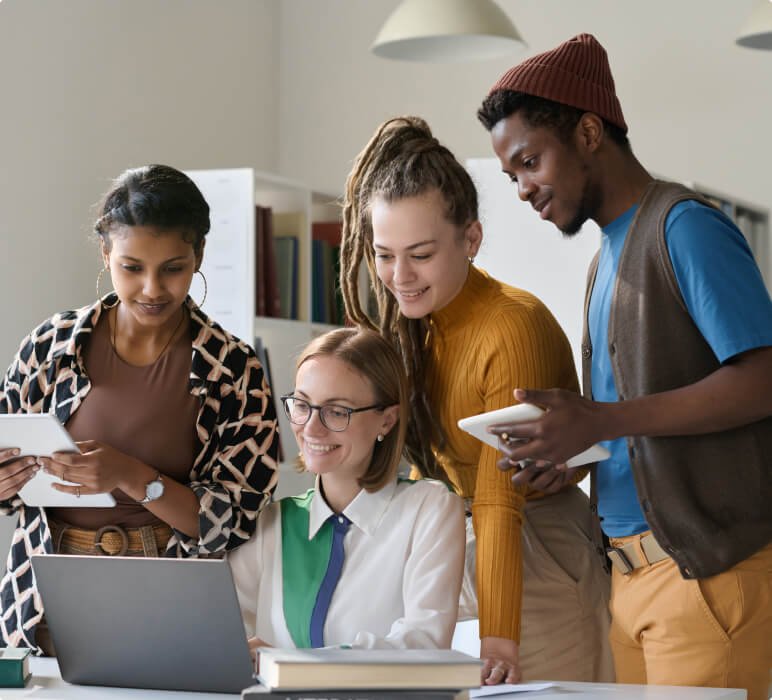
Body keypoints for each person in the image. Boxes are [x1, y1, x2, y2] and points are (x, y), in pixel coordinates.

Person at [477, 33, 772, 698]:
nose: (522, 189)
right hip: (630, 582)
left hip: (704, 579)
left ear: (588, 133)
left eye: (530, 162)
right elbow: (643, 427)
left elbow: (763, 378)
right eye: (511, 176)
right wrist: (575, 457)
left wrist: (602, 419)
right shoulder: (603, 260)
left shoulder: (684, 228)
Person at [339, 116, 614, 684]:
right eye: (384, 255)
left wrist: (499, 639)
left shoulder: (510, 327)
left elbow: (498, 499)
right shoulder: (418, 327)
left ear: (471, 239)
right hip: (469, 548)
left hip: (536, 557)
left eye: (420, 254)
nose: (399, 276)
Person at [0, 164, 279, 654]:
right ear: (106, 253)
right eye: (132, 267)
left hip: (171, 600)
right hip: (45, 600)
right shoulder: (49, 346)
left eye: (173, 268)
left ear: (199, 255)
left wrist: (131, 475)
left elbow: (236, 522)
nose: (152, 289)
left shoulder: (234, 369)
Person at [228, 327, 465, 650]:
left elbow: (422, 643)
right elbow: (217, 626)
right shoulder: (273, 521)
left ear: (387, 420)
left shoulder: (429, 509)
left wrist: (295, 664)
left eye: (337, 411)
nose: (311, 428)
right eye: (302, 405)